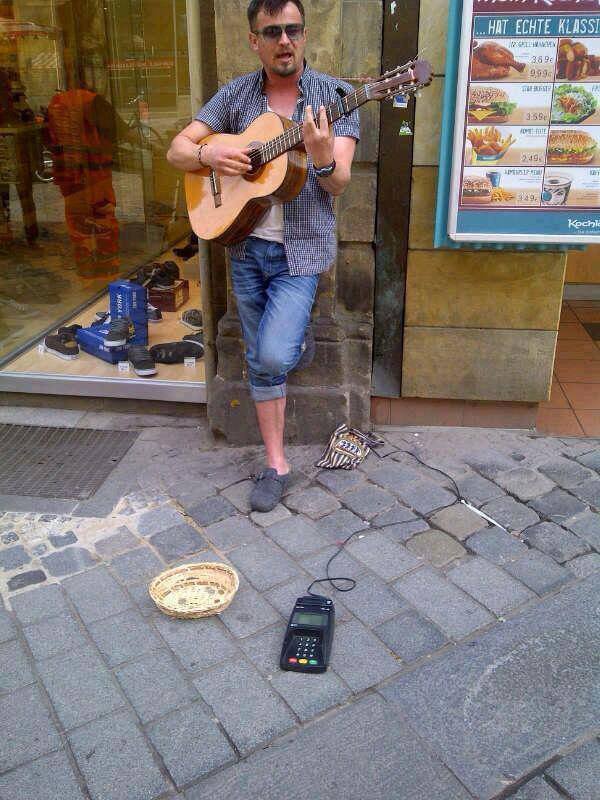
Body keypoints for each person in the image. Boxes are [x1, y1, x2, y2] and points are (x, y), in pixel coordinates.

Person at [167, 0, 359, 512]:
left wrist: (319, 159)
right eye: (271, 31)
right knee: (260, 360)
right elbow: (177, 150)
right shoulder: (235, 96)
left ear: (304, 34)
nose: (284, 40)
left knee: (272, 355)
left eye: (292, 30)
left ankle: (292, 345)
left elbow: (339, 183)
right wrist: (208, 153)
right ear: (255, 40)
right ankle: (276, 463)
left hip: (301, 253)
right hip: (245, 247)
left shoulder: (335, 96)